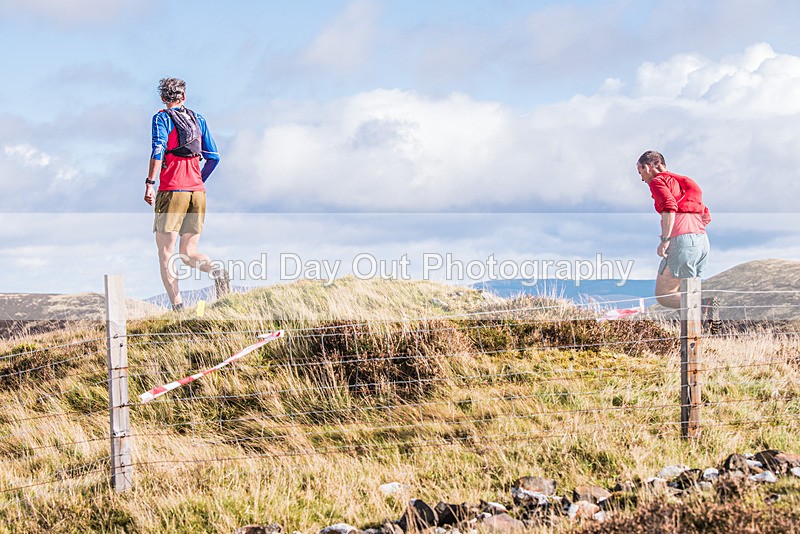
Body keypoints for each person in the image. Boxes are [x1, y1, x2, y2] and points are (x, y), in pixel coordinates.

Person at [144, 77, 228, 311]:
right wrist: (199, 180)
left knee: (166, 252)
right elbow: (214, 157)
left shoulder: (161, 118)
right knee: (189, 252)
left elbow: (158, 149)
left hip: (172, 190)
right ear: (184, 97)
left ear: (162, 98)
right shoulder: (198, 119)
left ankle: (178, 307)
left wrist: (150, 182)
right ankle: (216, 271)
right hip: (197, 192)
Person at [637, 150, 711, 309]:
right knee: (687, 291)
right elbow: (706, 216)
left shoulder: (658, 182)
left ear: (648, 167)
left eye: (640, 171)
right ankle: (699, 326)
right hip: (701, 241)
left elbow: (669, 207)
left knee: (665, 295)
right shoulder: (683, 183)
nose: (642, 178)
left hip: (682, 241)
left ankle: (705, 307)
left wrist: (665, 240)